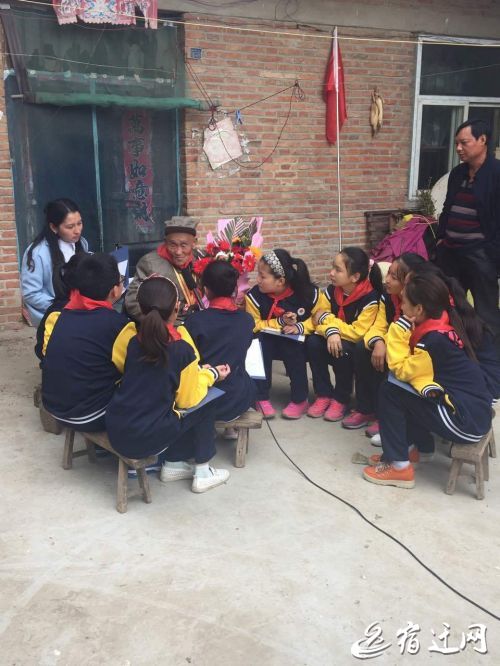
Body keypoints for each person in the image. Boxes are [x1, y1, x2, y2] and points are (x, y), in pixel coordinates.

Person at [363, 273, 492, 489]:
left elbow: (401, 369)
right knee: (401, 388)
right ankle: (417, 449)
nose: (401, 307)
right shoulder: (441, 324)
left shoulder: (431, 341)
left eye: (404, 302)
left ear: (419, 309)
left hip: (465, 421)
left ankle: (399, 467)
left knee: (390, 390)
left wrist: (397, 331)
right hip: (472, 412)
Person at [106, 276, 231, 494]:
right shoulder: (182, 350)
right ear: (176, 308)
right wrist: (211, 374)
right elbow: (188, 400)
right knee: (207, 400)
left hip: (116, 428)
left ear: (141, 308)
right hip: (146, 438)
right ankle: (203, 471)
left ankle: (174, 464)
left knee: (170, 406)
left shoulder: (134, 341)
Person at [41, 253, 136, 432]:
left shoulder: (59, 316)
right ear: (115, 290)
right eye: (121, 280)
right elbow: (135, 368)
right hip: (90, 415)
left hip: (53, 407)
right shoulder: (119, 327)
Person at [436, 118, 500, 346]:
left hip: (480, 254)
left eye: (464, 143)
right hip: (451, 253)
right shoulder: (458, 173)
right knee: (450, 306)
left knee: (485, 312)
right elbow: (447, 208)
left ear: (482, 140)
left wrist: (491, 254)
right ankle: (458, 350)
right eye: (456, 143)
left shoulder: (496, 173)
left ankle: (490, 358)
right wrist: (441, 238)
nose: (458, 148)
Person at [306, 247, 382, 423]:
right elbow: (317, 317)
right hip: (333, 339)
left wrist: (331, 327)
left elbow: (357, 332)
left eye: (338, 270)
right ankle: (323, 394)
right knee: (313, 342)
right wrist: (330, 331)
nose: (331, 273)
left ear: (354, 277)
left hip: (354, 349)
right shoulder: (332, 290)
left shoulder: (370, 298)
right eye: (332, 267)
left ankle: (341, 398)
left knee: (344, 348)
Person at [181, 260, 256, 436]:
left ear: (206, 290)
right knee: (245, 375)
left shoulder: (194, 322)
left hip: (203, 399)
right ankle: (230, 428)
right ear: (234, 288)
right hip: (236, 399)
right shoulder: (247, 321)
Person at [245, 249, 321, 419]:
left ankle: (300, 399)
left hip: (296, 341)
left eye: (262, 276)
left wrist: (299, 326)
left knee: (292, 344)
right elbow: (253, 324)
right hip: (267, 341)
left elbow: (320, 317)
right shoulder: (254, 296)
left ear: (280, 281)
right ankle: (260, 396)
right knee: (256, 341)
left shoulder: (308, 293)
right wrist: (279, 322)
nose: (258, 280)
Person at [362, 252, 427, 441]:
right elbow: (378, 326)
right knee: (363, 349)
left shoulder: (419, 304)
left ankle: (391, 421)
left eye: (394, 277)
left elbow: (409, 340)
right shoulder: (387, 297)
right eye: (388, 273)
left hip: (410, 356)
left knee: (390, 367)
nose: (387, 280)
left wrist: (387, 343)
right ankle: (368, 410)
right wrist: (379, 341)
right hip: (393, 345)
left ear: (409, 280)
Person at [21, 198, 89, 327]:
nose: (77, 231)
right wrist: (63, 306)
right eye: (70, 226)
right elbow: (31, 293)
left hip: (81, 312)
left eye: (79, 223)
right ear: (53, 227)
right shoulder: (37, 253)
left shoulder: (82, 243)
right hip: (54, 317)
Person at [125, 216, 202, 323]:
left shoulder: (200, 259)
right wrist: (159, 324)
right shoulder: (150, 263)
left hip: (198, 321)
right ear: (165, 242)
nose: (178, 252)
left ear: (194, 243)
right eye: (173, 245)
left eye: (184, 245)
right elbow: (132, 302)